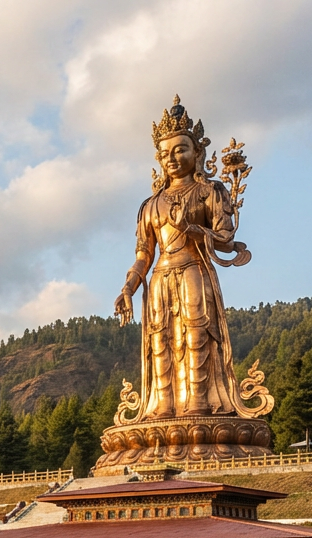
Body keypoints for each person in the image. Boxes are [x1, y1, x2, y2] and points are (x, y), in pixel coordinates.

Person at [114, 96, 257, 422]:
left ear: (198, 153)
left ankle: (198, 407)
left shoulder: (210, 191)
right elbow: (144, 254)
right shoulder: (151, 205)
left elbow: (225, 239)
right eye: (165, 153)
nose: (173, 158)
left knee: (197, 337)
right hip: (161, 278)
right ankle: (163, 409)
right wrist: (128, 288)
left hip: (194, 270)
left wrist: (191, 229)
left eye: (181, 150)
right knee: (160, 342)